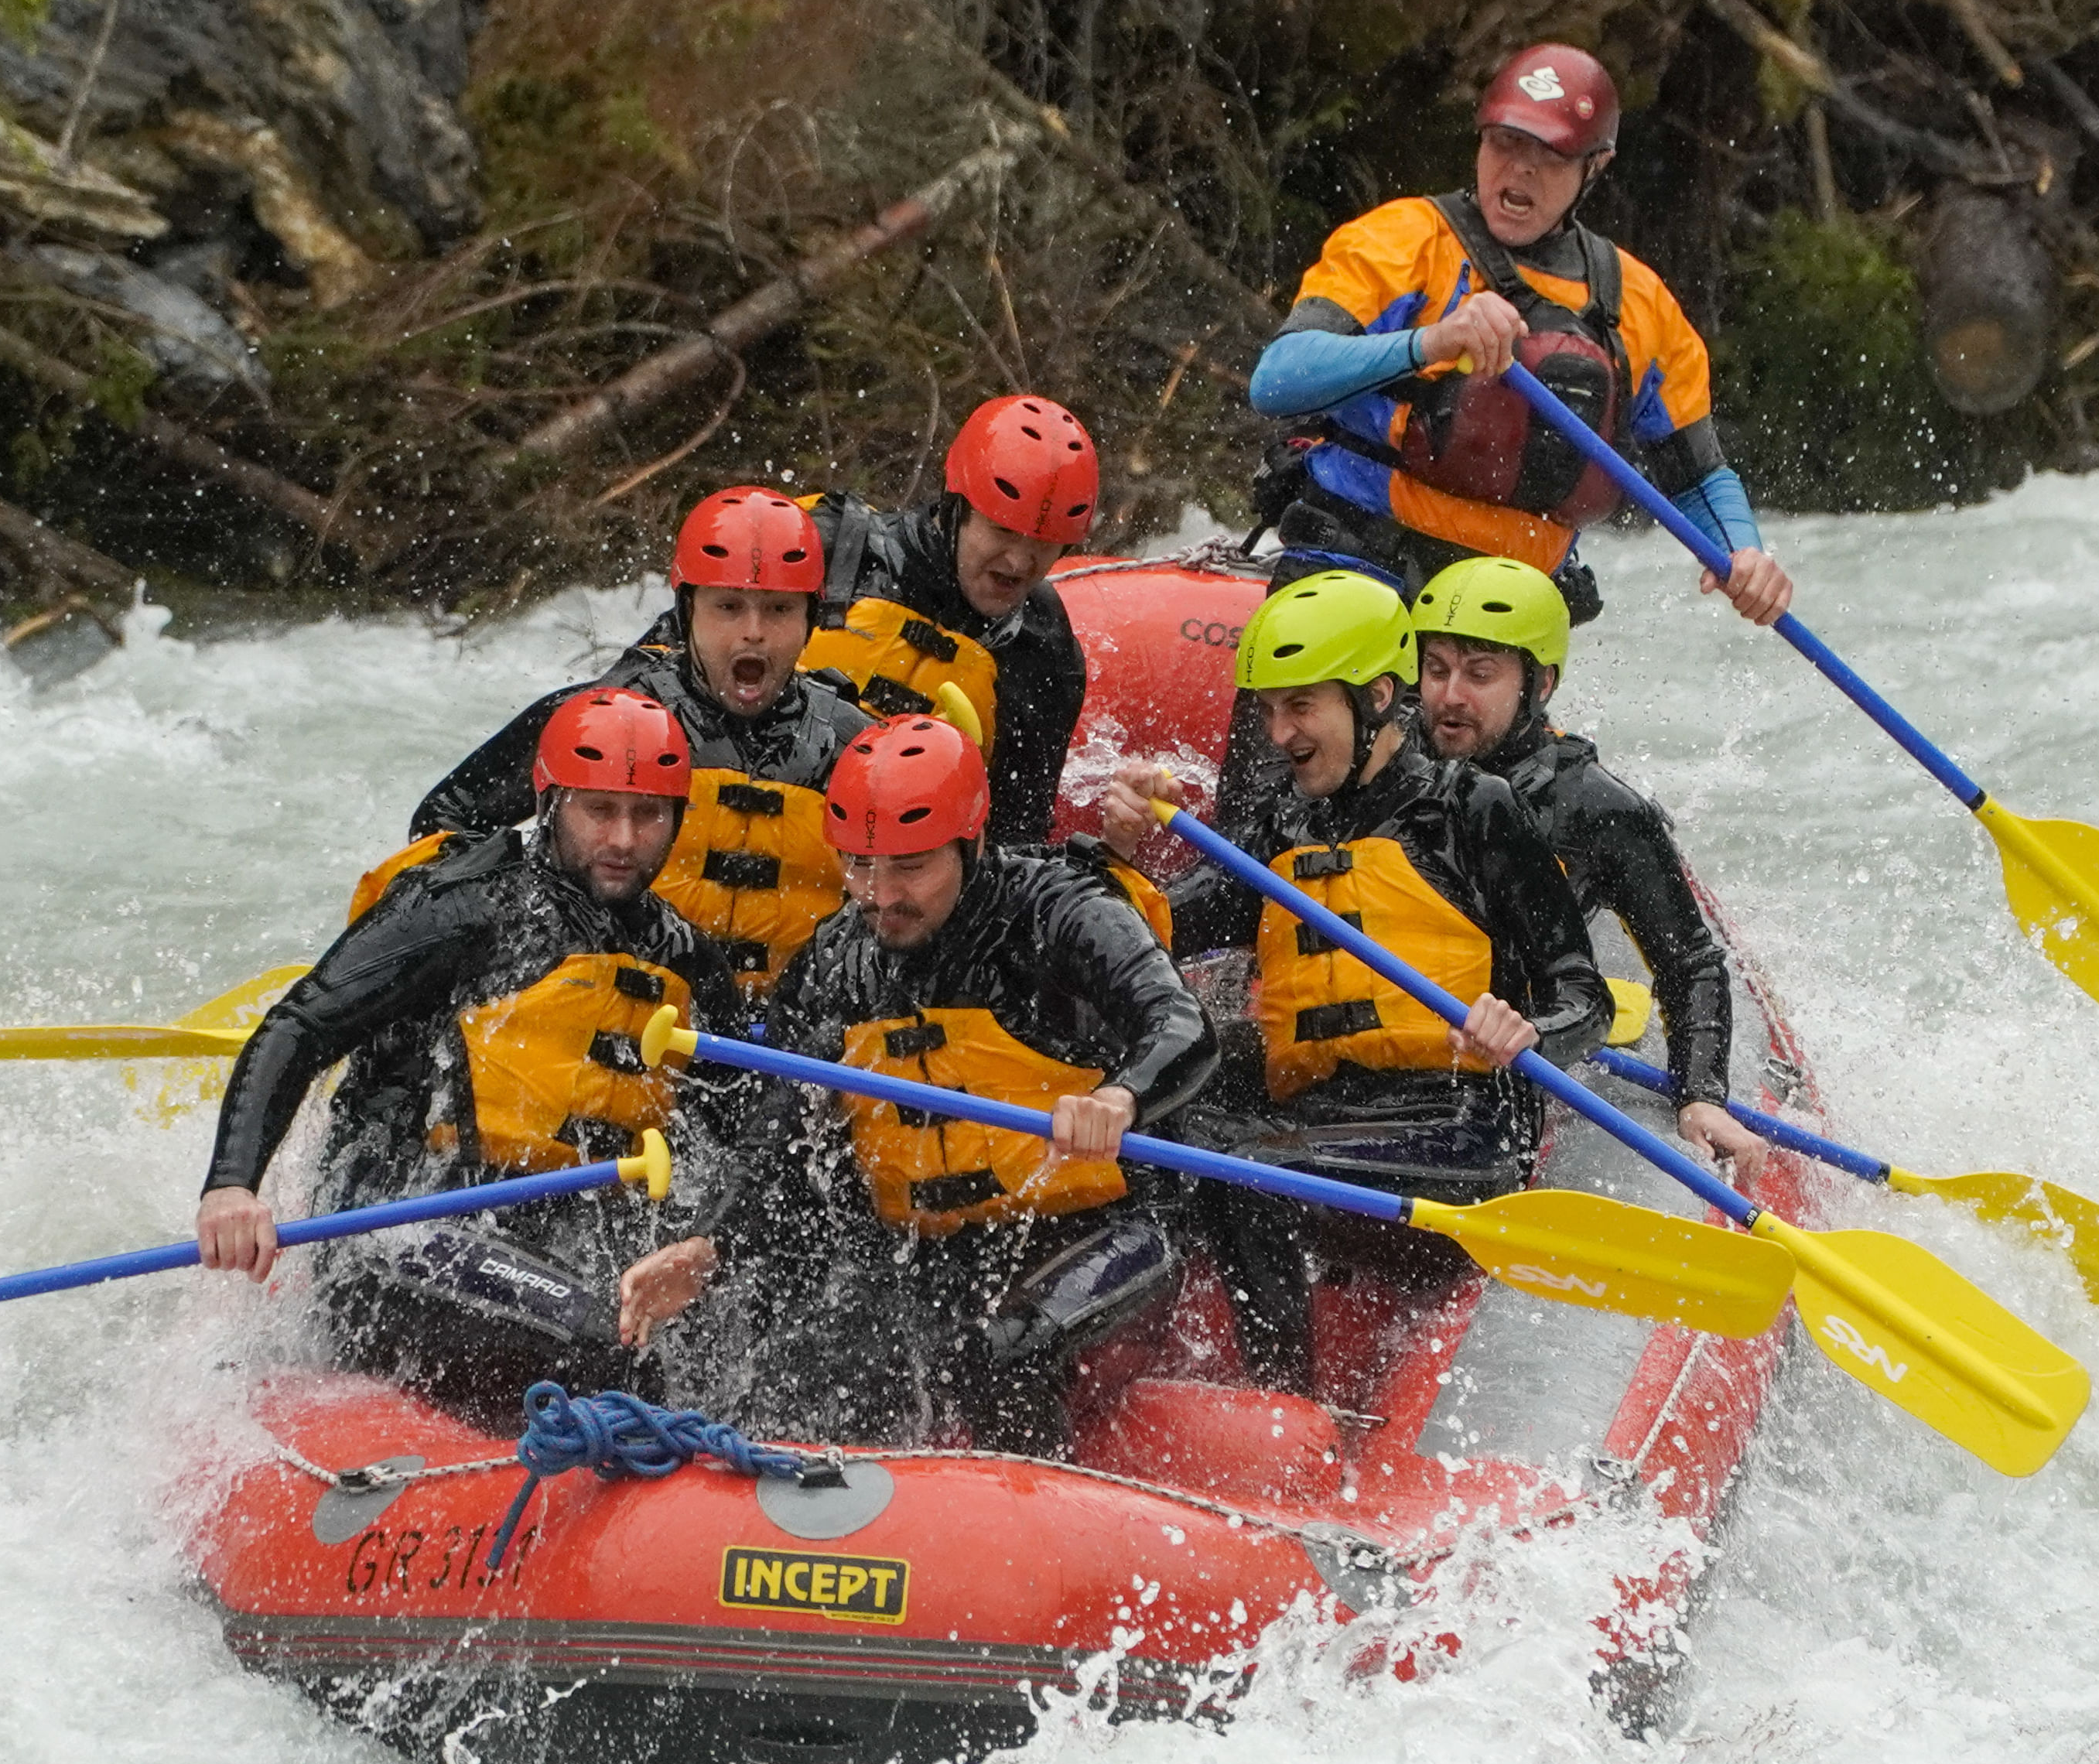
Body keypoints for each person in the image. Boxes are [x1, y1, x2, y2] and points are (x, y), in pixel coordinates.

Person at [1097, 569, 1611, 1396]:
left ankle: (1280, 1404)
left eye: (1301, 706)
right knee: (1157, 1125)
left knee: (1238, 1166)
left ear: (1375, 697)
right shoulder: (1279, 822)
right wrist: (1119, 856)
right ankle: (1139, 1371)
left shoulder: (1473, 809)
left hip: (1456, 1129)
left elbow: (1585, 993)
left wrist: (1532, 1032)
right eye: (1267, 710)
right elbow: (1157, 933)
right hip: (1322, 1115)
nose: (1280, 732)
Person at [196, 688, 755, 1426]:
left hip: (548, 1243)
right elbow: (300, 1026)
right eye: (599, 811)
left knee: (728, 1330)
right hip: (394, 1230)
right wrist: (232, 1185)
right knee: (610, 1341)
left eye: (647, 815)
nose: (623, 839)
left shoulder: (681, 955)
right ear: (551, 804)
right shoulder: (464, 906)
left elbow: (751, 1122)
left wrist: (707, 1245)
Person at [719, 716, 1217, 1457]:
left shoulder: (1062, 909)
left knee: (1002, 1354)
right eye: (860, 865)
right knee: (805, 1368)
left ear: (972, 843)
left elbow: (1182, 1024)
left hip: (1104, 1232)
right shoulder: (837, 959)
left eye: (910, 868)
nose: (881, 895)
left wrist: (1120, 1098)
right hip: (936, 1251)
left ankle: (1034, 1543)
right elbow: (777, 1125)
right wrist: (710, 1245)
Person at [1245, 41, 1794, 634]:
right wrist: (1429, 343)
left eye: (1550, 154)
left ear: (1596, 165)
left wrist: (1744, 552)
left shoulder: (1639, 305)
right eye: (1506, 143)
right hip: (1360, 558)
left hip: (1509, 613)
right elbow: (1277, 379)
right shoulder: (1403, 240)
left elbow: (1696, 476)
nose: (1520, 169)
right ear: (1480, 139)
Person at [394, 487, 876, 993]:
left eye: (778, 610)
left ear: (810, 620)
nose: (752, 633)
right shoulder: (596, 718)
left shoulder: (853, 745)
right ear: (687, 610)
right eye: (728, 607)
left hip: (785, 1030)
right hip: (612, 1008)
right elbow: (443, 822)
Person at [1409, 555, 1765, 1172]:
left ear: (1539, 685)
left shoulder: (1596, 806)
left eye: (1479, 674)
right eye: (1435, 670)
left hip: (1514, 1037)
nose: (1449, 696)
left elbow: (1689, 962)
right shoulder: (1386, 766)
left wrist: (1701, 1096)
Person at [795, 394, 1104, 848]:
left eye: (1045, 542)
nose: (1019, 560)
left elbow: (1016, 842)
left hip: (897, 892)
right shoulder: (831, 548)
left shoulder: (1044, 650)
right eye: (1002, 529)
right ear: (956, 507)